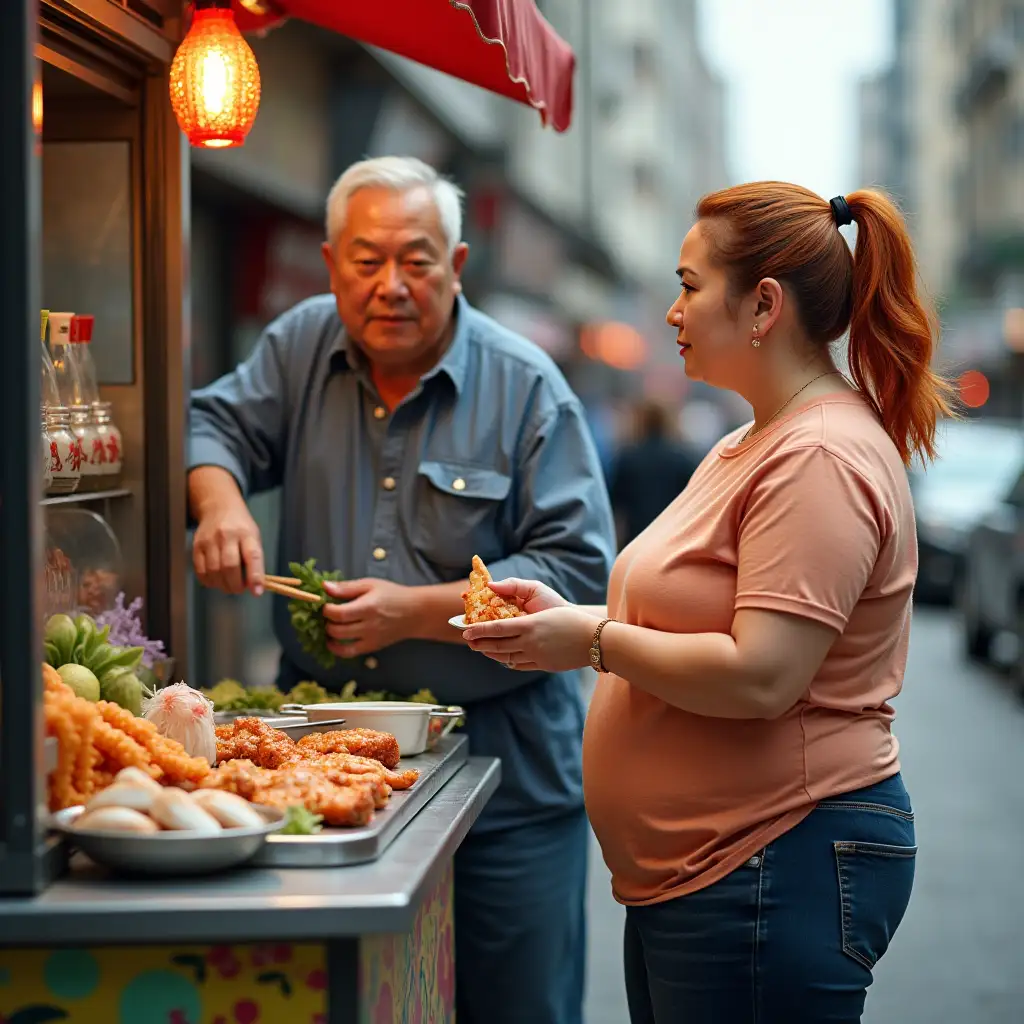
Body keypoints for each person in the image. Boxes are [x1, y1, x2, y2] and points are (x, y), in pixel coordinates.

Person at [463, 182, 954, 1023]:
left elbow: (762, 675)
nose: (670, 310)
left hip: (769, 862)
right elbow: (687, 609)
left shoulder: (820, 455)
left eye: (690, 286)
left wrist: (592, 640)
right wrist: (565, 612)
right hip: (712, 873)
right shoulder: (745, 439)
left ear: (763, 304)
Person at [187, 156, 615, 1024]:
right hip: (322, 756)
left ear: (456, 268)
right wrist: (222, 502)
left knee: (518, 1007)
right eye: (366, 259)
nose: (390, 285)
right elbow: (212, 421)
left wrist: (412, 611)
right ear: (331, 259)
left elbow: (576, 575)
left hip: (508, 771)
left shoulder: (528, 386)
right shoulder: (300, 344)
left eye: (416, 261)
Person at [608, 399, 700, 547]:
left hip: (637, 536)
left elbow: (616, 504)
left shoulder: (627, 458)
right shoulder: (682, 459)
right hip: (672, 535)